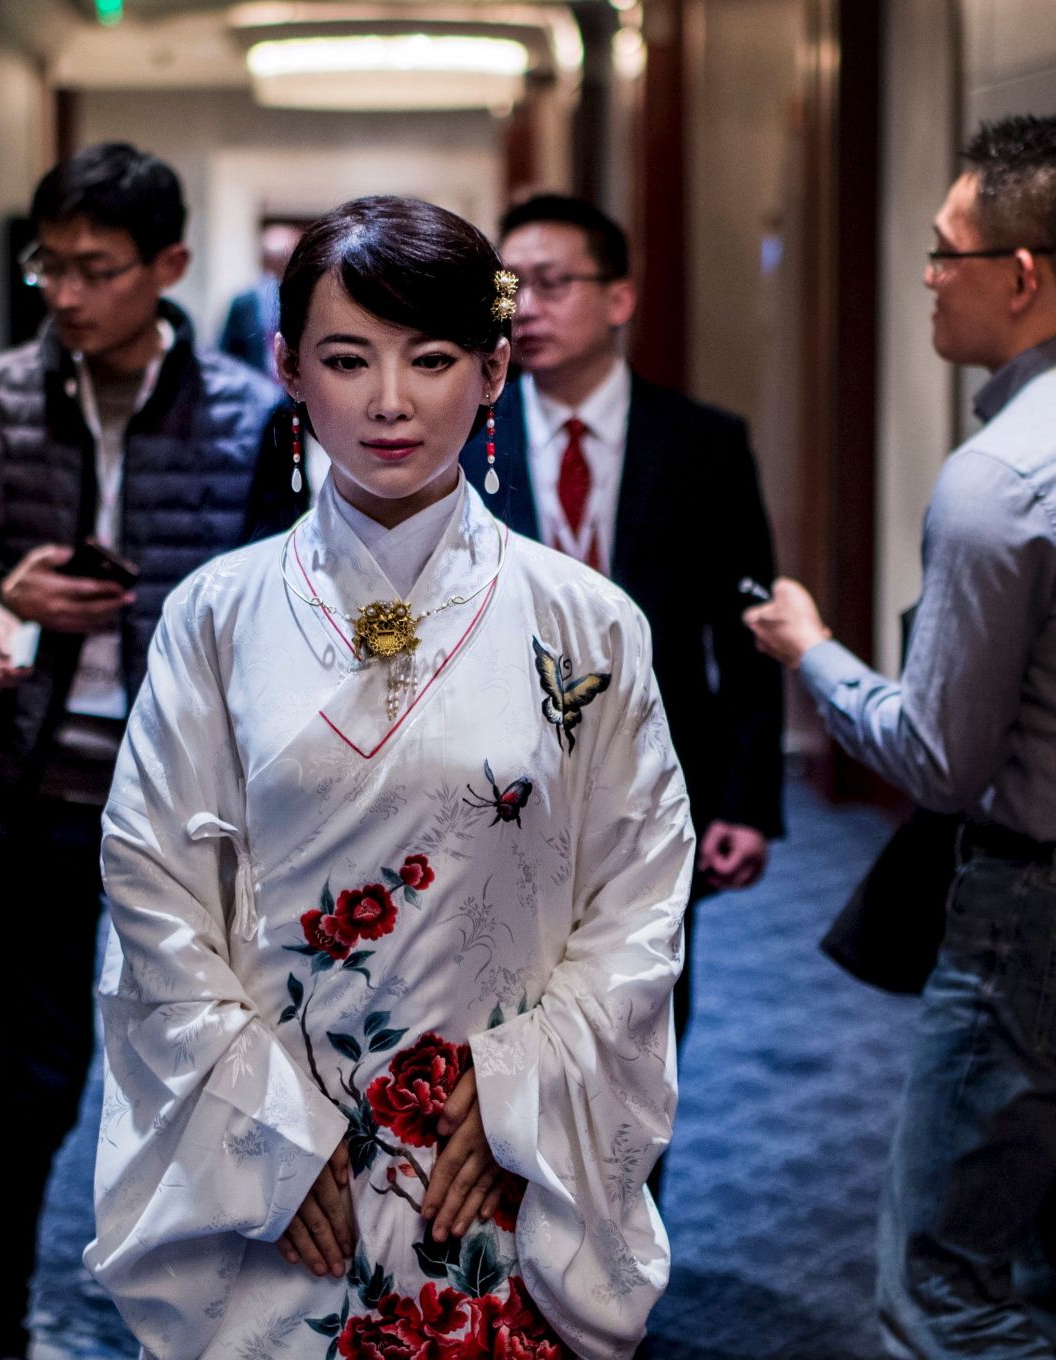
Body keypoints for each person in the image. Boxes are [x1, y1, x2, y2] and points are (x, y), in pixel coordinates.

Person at [87, 195, 695, 1359]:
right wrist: (264, 1121)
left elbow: (640, 895)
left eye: (431, 358)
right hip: (275, 1147)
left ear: (493, 369)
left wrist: (519, 1092)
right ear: (287, 369)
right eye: (346, 358)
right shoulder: (216, 616)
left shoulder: (587, 623)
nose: (388, 401)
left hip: (491, 1155)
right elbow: (152, 882)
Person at [0, 141, 284, 1360]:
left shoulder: (249, 416)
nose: (68, 294)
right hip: (30, 784)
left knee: (207, 1074)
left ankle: (213, 1327)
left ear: (168, 265)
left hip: (191, 804)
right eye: (50, 267)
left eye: (98, 268)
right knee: (33, 1077)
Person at [745, 114, 1056, 1358]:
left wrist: (810, 651)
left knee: (943, 1292)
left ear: (1020, 276)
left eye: (944, 252)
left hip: (1028, 914)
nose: (926, 277)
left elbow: (939, 757)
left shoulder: (1002, 480)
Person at [458, 195, 784, 1051]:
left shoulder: (702, 442)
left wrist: (747, 800)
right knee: (497, 1014)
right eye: (508, 288)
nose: (525, 308)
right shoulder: (464, 439)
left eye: (551, 282)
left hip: (656, 770)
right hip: (496, 777)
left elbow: (746, 630)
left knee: (645, 1020)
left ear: (618, 297)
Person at [218, 219, 305, 375]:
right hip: (257, 382)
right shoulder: (245, 301)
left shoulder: (313, 297)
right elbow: (226, 352)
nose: (281, 267)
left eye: (284, 259)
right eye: (272, 260)